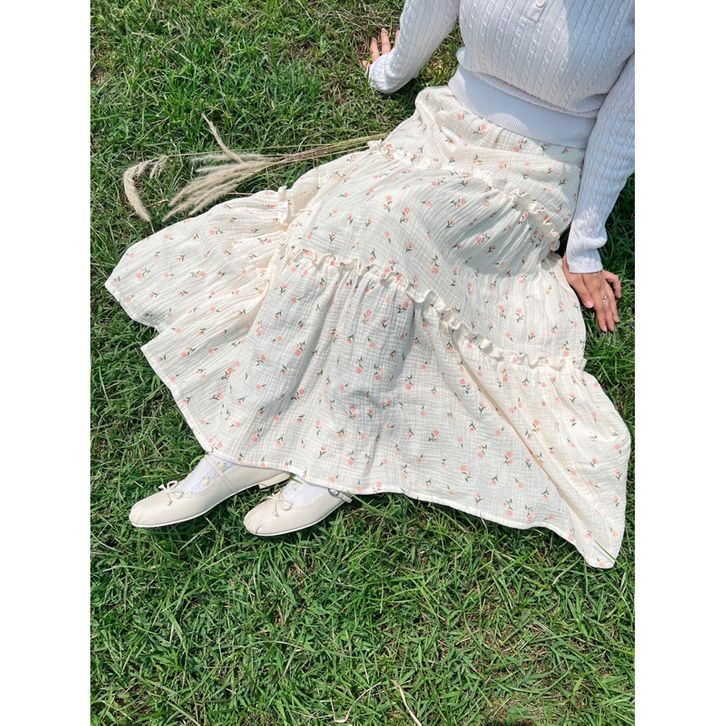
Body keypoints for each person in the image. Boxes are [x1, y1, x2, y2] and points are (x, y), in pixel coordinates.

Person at [104, 0, 634, 568]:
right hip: (442, 127)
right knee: (335, 223)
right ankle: (241, 442)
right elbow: (433, 7)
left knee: (399, 233)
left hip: (536, 168)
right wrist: (393, 71)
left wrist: (582, 248)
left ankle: (338, 451)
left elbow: (623, 129)